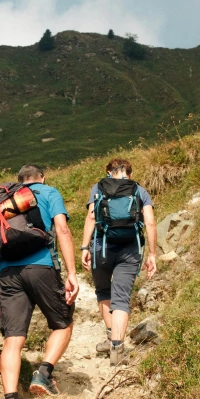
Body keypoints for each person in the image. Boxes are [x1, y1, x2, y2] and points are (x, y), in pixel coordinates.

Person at [0, 164, 79, 399]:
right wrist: (71, 273)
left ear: (19, 182)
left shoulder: (1, 203)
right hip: (41, 267)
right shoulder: (48, 193)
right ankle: (44, 373)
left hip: (7, 274)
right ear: (42, 178)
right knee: (63, 323)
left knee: (12, 340)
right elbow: (62, 229)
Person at [81, 157, 157, 366]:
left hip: (101, 247)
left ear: (108, 172)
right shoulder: (139, 190)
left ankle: (109, 336)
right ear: (129, 174)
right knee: (121, 297)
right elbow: (149, 222)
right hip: (130, 248)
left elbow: (90, 218)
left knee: (104, 291)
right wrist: (152, 254)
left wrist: (85, 248)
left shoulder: (98, 188)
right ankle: (117, 347)